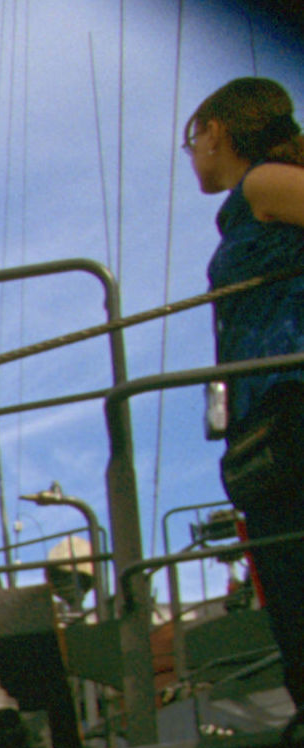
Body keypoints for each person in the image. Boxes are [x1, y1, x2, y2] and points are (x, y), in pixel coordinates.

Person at [193, 77, 304, 695]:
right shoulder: (243, 202)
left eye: (193, 140)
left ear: (216, 130)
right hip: (267, 413)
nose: (193, 156)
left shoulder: (262, 182)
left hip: (290, 402)